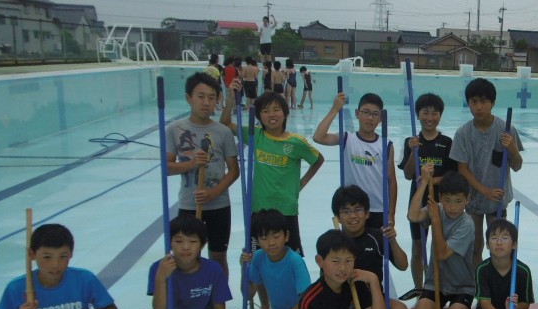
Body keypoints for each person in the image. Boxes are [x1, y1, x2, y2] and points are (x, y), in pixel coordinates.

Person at [220, 89, 322, 255]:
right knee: (255, 258)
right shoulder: (255, 135)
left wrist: (300, 184)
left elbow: (318, 160)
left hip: (286, 209)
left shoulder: (296, 142)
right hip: (259, 208)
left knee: (291, 258)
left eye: (276, 109)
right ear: (259, 116)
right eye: (265, 111)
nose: (271, 115)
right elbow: (225, 124)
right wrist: (231, 98)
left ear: (285, 113)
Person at [166, 72, 240, 277]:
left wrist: (213, 193)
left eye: (211, 97)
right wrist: (192, 163)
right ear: (188, 98)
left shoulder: (223, 132)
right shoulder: (174, 129)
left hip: (219, 206)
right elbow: (166, 167)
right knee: (188, 257)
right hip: (189, 204)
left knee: (218, 257)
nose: (206, 102)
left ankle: (220, 296)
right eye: (201, 96)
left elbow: (234, 171)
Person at [450, 78, 523, 266]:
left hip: (498, 199)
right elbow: (462, 169)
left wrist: (512, 148)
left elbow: (517, 166)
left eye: (483, 101)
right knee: (475, 245)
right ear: (468, 103)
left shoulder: (506, 130)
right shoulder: (462, 134)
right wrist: (485, 191)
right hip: (473, 199)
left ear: (492, 103)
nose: (478, 107)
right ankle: (477, 281)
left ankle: (497, 279)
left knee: (499, 247)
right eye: (474, 102)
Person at [313, 92, 397, 231]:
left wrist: (391, 214)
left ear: (381, 118)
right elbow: (318, 137)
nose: (370, 118)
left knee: (377, 244)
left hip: (378, 209)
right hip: (352, 209)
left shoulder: (386, 145)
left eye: (375, 114)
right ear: (357, 113)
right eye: (366, 112)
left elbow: (391, 181)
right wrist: (335, 109)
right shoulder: (347, 139)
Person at [407, 167, 475, 309]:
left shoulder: (467, 224)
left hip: (462, 286)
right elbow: (412, 216)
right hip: (436, 284)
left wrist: (436, 220)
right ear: (440, 198)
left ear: (467, 199)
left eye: (458, 201)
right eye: (447, 200)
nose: (452, 207)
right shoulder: (437, 209)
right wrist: (424, 183)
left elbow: (443, 253)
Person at [399, 92, 456, 291]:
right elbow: (408, 174)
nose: (430, 118)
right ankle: (419, 290)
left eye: (434, 113)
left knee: (442, 246)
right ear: (418, 115)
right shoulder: (411, 142)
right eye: (425, 113)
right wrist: (412, 152)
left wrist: (432, 180)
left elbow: (453, 175)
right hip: (418, 200)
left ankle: (441, 289)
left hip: (442, 203)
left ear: (440, 115)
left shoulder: (447, 143)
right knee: (417, 247)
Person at [331, 185, 409, 309]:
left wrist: (392, 241)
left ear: (367, 213)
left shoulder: (377, 237)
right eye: (346, 211)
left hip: (374, 297)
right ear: (338, 217)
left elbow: (403, 265)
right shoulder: (333, 242)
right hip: (344, 299)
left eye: (358, 210)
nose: (353, 216)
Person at [242, 209, 312, 309]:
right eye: (264, 238)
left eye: (276, 236)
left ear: (286, 236)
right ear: (257, 240)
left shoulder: (295, 261)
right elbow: (248, 294)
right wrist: (244, 269)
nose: (271, 243)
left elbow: (305, 303)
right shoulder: (258, 258)